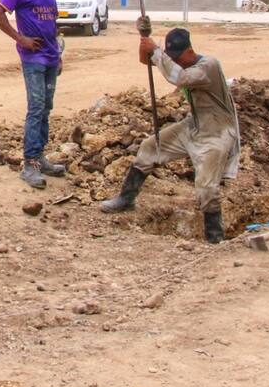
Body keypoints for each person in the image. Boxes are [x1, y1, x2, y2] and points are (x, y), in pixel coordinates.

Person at [99, 27, 241, 244]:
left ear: (190, 51)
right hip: (194, 125)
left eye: (178, 57)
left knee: (206, 184)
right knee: (149, 148)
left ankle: (214, 237)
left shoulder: (209, 66)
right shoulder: (180, 63)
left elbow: (181, 78)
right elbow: (146, 61)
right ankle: (126, 199)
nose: (176, 61)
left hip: (217, 131)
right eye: (171, 57)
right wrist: (144, 38)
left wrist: (156, 51)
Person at [0, 0, 66, 189]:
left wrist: (59, 55)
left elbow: (52, 24)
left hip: (51, 58)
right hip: (33, 60)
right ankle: (29, 164)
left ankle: (40, 157)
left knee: (46, 108)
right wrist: (20, 38)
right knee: (36, 107)